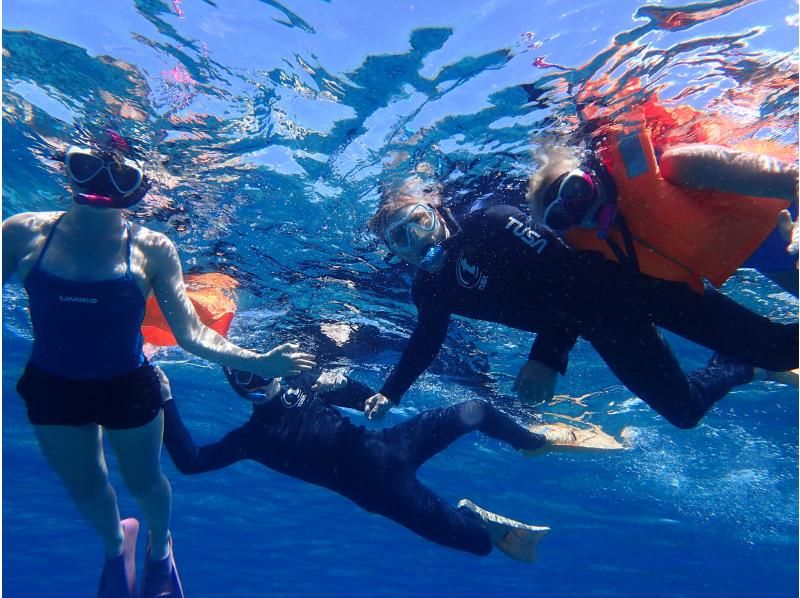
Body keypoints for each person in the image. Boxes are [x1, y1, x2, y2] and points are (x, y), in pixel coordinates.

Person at [2, 137, 316, 598]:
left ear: (138, 187)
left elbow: (191, 334)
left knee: (145, 481)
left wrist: (261, 360)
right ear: (66, 169)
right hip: (53, 387)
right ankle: (115, 549)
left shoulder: (153, 247)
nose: (101, 183)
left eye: (121, 176)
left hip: (129, 385)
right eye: (86, 166)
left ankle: (160, 549)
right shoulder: (21, 231)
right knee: (86, 486)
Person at [363, 176, 797, 424]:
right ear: (394, 252)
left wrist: (547, 355)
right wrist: (391, 393)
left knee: (782, 348)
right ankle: (738, 365)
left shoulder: (492, 224)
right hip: (603, 326)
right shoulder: (429, 288)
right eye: (401, 237)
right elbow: (427, 337)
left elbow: (574, 277)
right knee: (683, 411)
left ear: (436, 212)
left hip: (640, 289)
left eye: (419, 221)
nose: (416, 237)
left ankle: (757, 358)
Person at [157, 365, 582, 564]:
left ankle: (532, 441)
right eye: (241, 376)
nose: (252, 379)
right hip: (385, 494)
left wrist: (361, 393)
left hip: (392, 445)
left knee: (476, 409)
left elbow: (358, 395)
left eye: (255, 369)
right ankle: (470, 515)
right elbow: (191, 462)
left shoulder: (302, 382)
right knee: (478, 544)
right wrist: (165, 399)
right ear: (234, 387)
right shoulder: (251, 439)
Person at [527, 135, 798, 295]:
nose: (580, 207)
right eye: (562, 216)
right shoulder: (618, 250)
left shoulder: (679, 165)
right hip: (769, 261)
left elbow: (793, 179)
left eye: (574, 189)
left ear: (590, 172)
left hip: (788, 218)